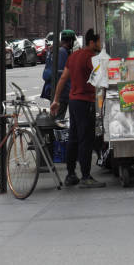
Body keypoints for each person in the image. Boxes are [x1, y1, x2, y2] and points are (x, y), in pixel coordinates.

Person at [50, 29, 105, 189]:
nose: (100, 44)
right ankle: (86, 176)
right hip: (85, 102)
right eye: (99, 42)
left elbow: (63, 78)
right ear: (92, 42)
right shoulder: (90, 57)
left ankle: (70, 174)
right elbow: (100, 78)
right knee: (85, 140)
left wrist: (56, 100)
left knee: (73, 139)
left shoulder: (73, 56)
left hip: (74, 102)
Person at [41, 30, 75, 119]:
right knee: (58, 120)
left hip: (55, 90)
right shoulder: (62, 52)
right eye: (73, 41)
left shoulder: (56, 50)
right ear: (70, 41)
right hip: (61, 92)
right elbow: (63, 74)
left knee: (56, 117)